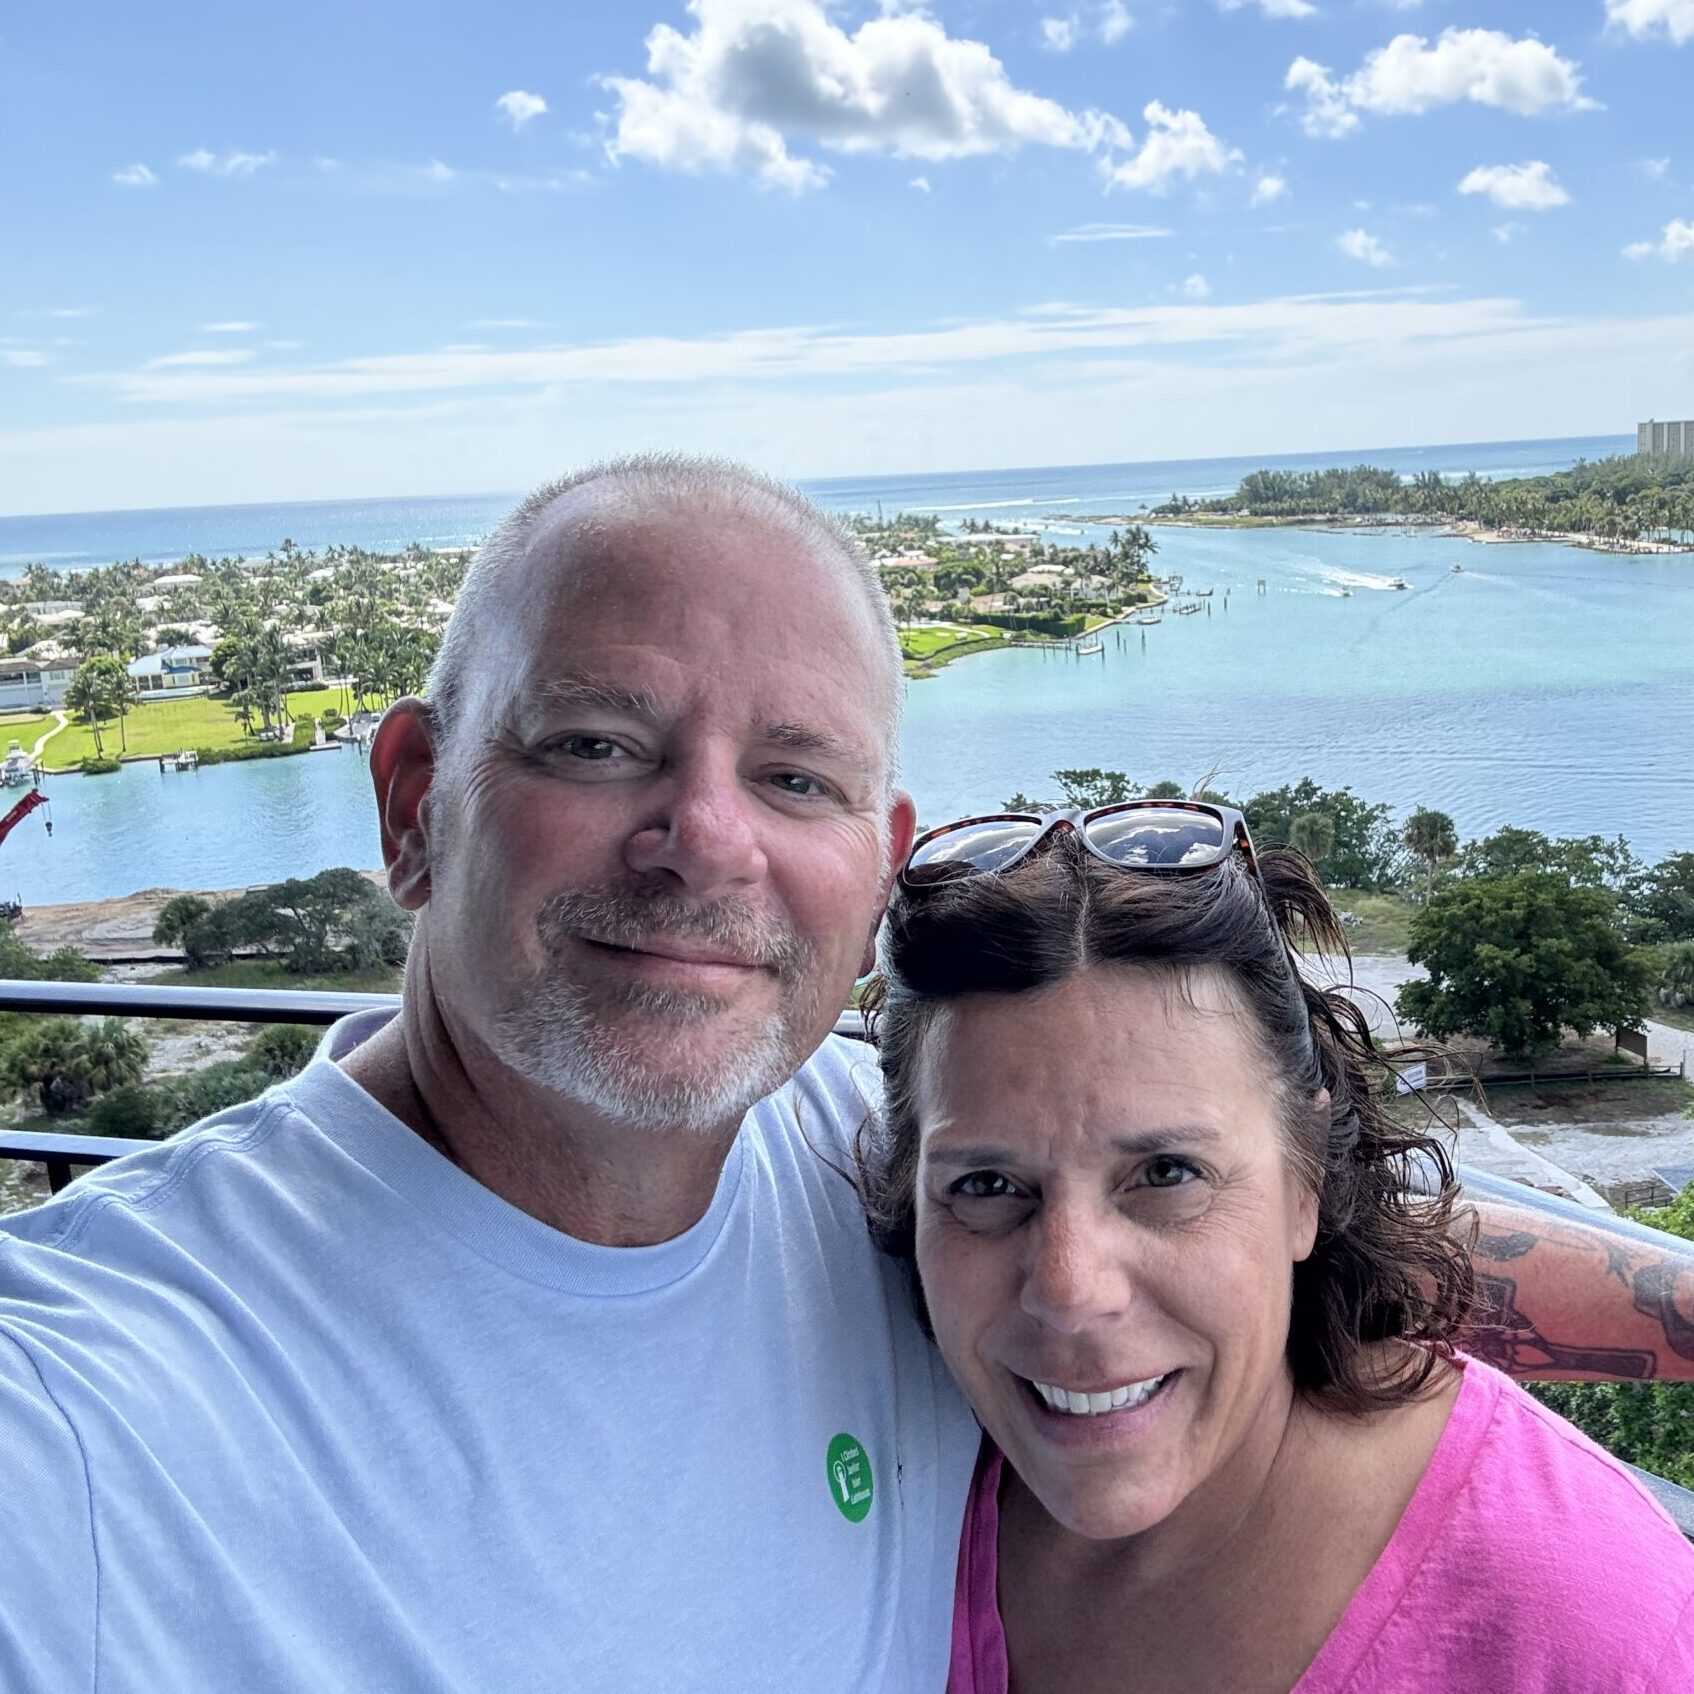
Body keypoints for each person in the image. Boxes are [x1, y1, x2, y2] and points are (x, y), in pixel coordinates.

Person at [0, 458, 1689, 1691]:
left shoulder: (839, 1149)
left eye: (793, 774)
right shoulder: (97, 1416)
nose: (702, 840)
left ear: (870, 862)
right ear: (409, 798)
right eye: (596, 741)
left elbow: (1257, 1193)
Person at [859, 802, 1694, 1693]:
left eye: (1169, 1173)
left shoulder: (1591, 1626)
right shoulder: (902, 1461)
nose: (1069, 1291)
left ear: (1307, 1182)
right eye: (986, 1187)